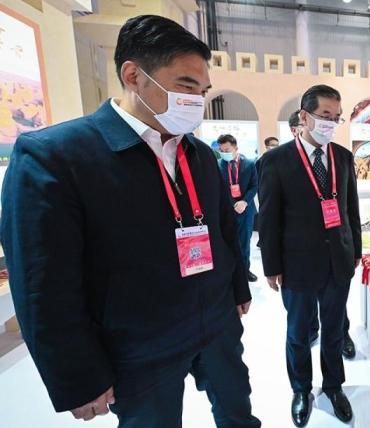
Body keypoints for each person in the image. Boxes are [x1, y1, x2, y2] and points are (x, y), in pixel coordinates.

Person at [0, 15, 260, 428]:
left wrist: (236, 289)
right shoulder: (57, 157)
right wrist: (77, 375)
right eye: (186, 86)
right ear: (134, 76)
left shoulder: (199, 154)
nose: (196, 100)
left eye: (203, 91)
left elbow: (224, 231)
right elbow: (42, 285)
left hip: (215, 325)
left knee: (238, 413)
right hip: (138, 347)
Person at [258, 85, 361, 427]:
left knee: (333, 330)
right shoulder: (275, 161)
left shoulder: (343, 157)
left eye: (336, 117)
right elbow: (269, 219)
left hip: (338, 261)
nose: (331, 123)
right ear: (304, 116)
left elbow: (350, 208)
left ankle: (333, 386)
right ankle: (301, 389)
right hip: (297, 265)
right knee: (299, 333)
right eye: (325, 115)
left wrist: (355, 250)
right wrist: (271, 266)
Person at [218, 134, 258, 282]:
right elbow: (219, 188)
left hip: (246, 210)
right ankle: (231, 272)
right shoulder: (218, 165)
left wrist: (244, 202)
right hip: (227, 210)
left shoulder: (249, 164)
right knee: (228, 241)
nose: (224, 153)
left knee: (245, 242)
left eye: (227, 150)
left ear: (236, 148)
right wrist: (232, 204)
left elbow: (254, 186)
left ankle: (245, 271)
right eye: (222, 150)